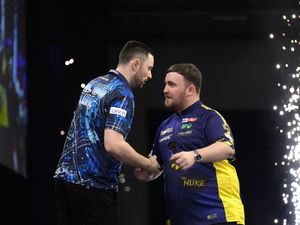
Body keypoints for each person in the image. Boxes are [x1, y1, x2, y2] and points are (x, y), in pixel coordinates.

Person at [53, 40, 161, 225]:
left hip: (64, 182)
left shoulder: (94, 84)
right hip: (93, 187)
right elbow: (113, 145)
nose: (150, 75)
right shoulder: (122, 94)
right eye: (149, 68)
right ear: (135, 64)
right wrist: (148, 164)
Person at [134, 63, 245, 225]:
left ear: (190, 90)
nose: (165, 90)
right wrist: (148, 173)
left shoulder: (209, 117)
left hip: (219, 215)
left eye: (171, 85)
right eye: (165, 84)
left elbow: (227, 148)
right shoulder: (164, 126)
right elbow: (158, 165)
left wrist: (195, 155)